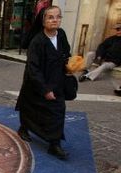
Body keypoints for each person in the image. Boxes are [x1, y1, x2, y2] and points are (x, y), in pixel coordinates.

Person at [16, 6, 71, 160]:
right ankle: (24, 128)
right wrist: (45, 89)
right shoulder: (37, 41)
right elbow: (33, 69)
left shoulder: (62, 35)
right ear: (43, 20)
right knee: (31, 109)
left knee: (58, 111)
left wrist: (70, 64)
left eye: (58, 17)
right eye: (50, 17)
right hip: (36, 84)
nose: (55, 20)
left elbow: (66, 53)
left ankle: (54, 144)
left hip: (57, 82)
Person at [79, 23, 121, 96]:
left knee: (104, 66)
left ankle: (87, 76)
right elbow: (102, 46)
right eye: (117, 30)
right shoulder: (112, 38)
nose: (118, 31)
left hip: (113, 61)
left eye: (119, 30)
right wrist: (99, 55)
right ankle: (86, 70)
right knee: (90, 54)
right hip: (104, 57)